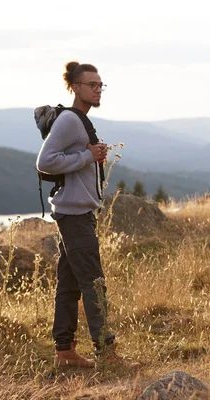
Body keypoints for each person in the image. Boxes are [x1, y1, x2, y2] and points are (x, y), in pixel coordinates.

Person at [36, 62, 137, 369]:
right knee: (94, 284)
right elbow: (45, 161)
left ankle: (65, 352)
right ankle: (107, 354)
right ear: (75, 88)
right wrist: (86, 156)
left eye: (100, 85)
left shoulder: (80, 121)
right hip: (74, 217)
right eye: (91, 84)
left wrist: (92, 157)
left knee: (68, 285)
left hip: (77, 214)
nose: (97, 89)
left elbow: (74, 162)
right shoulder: (69, 119)